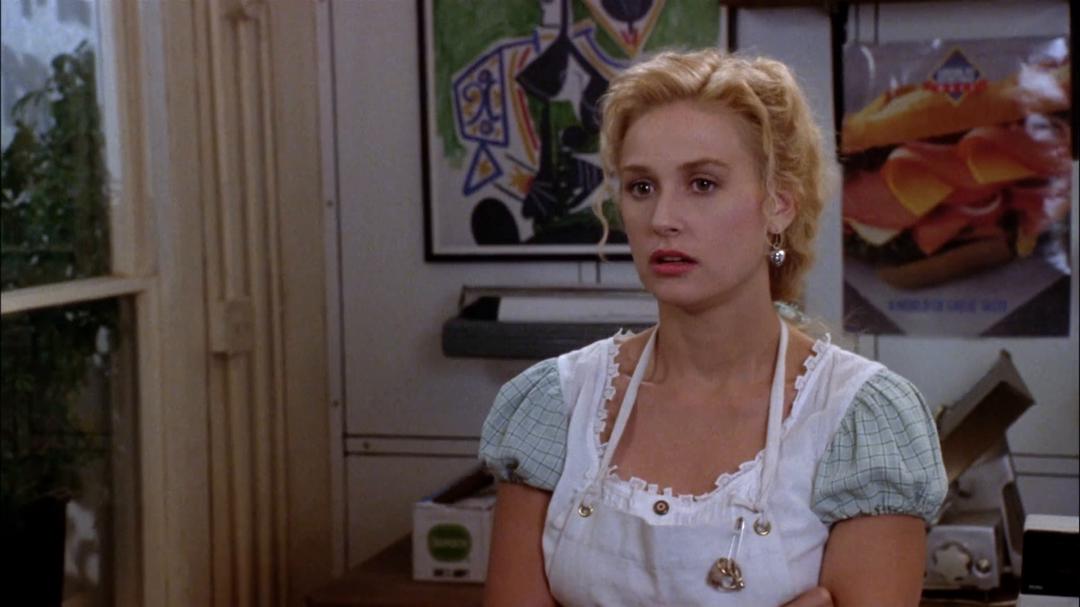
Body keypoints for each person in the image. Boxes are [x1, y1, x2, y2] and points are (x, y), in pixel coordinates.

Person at [478, 49, 947, 607]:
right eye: (641, 187)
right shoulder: (558, 403)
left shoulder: (858, 418)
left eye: (701, 184)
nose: (662, 219)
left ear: (778, 205)